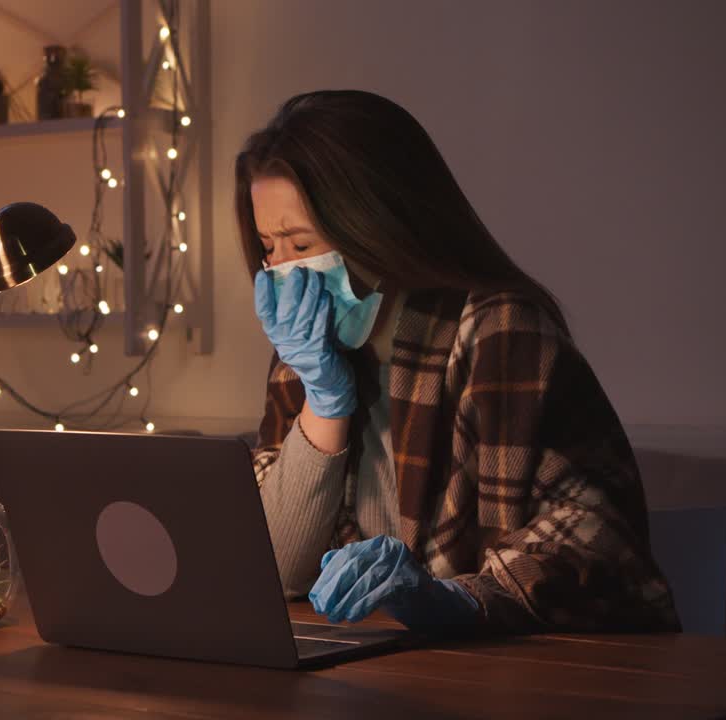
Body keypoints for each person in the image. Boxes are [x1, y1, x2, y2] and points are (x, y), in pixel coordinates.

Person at [238, 90, 680, 636]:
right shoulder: (303, 351)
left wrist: (445, 597)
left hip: (507, 677)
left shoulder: (498, 333)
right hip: (372, 675)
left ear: (375, 226)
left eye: (301, 244)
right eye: (268, 247)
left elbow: (599, 547)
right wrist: (324, 403)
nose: (285, 274)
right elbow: (274, 571)